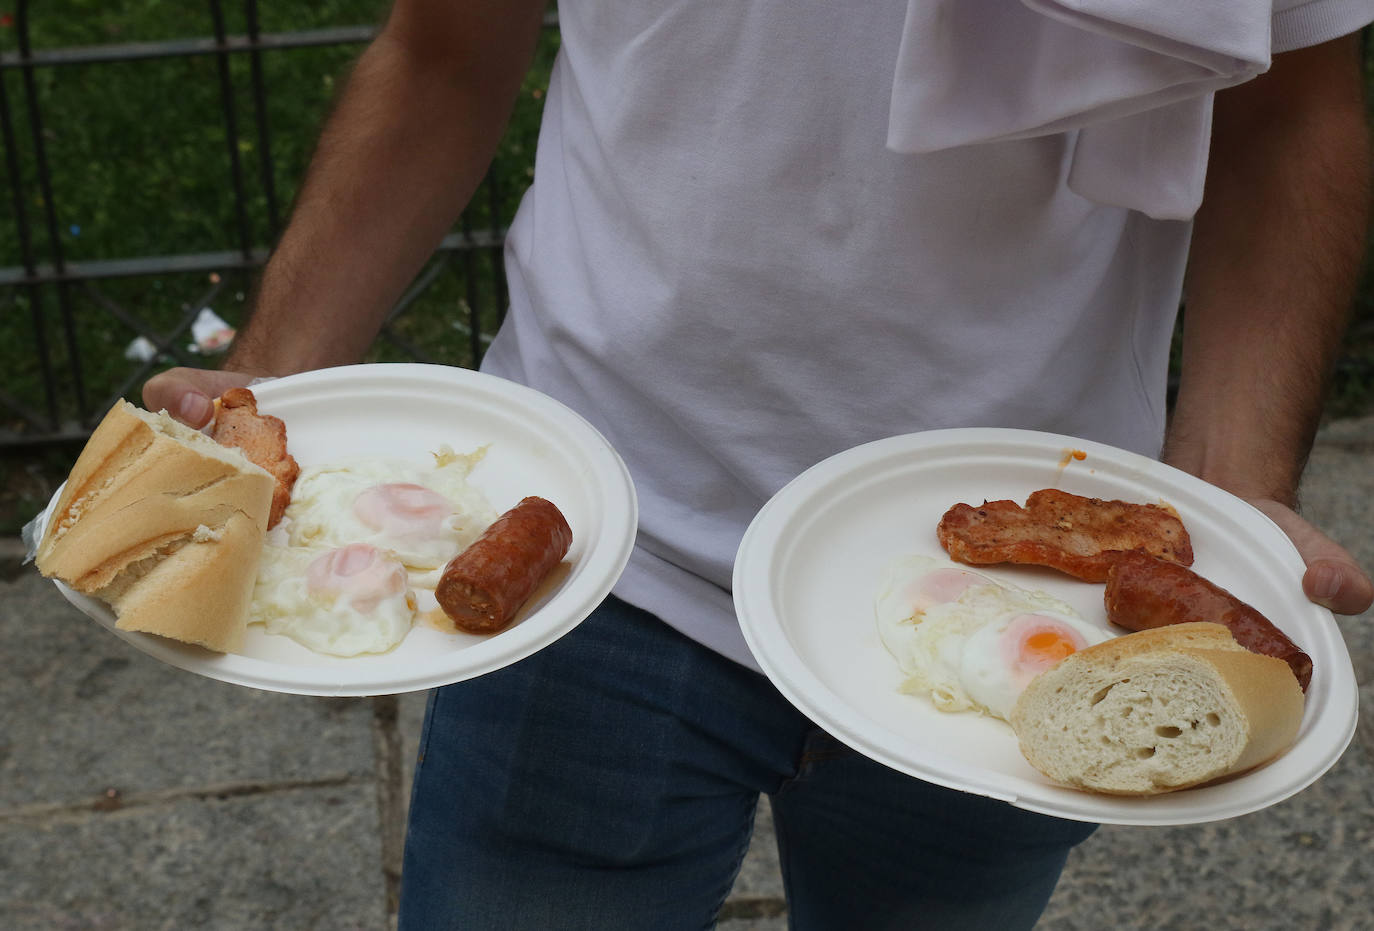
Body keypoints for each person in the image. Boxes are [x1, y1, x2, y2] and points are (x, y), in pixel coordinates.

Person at [145, 1, 1374, 927]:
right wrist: (264, 409)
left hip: (1032, 606)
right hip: (592, 553)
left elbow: (1292, 116)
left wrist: (1230, 502)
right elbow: (444, 50)